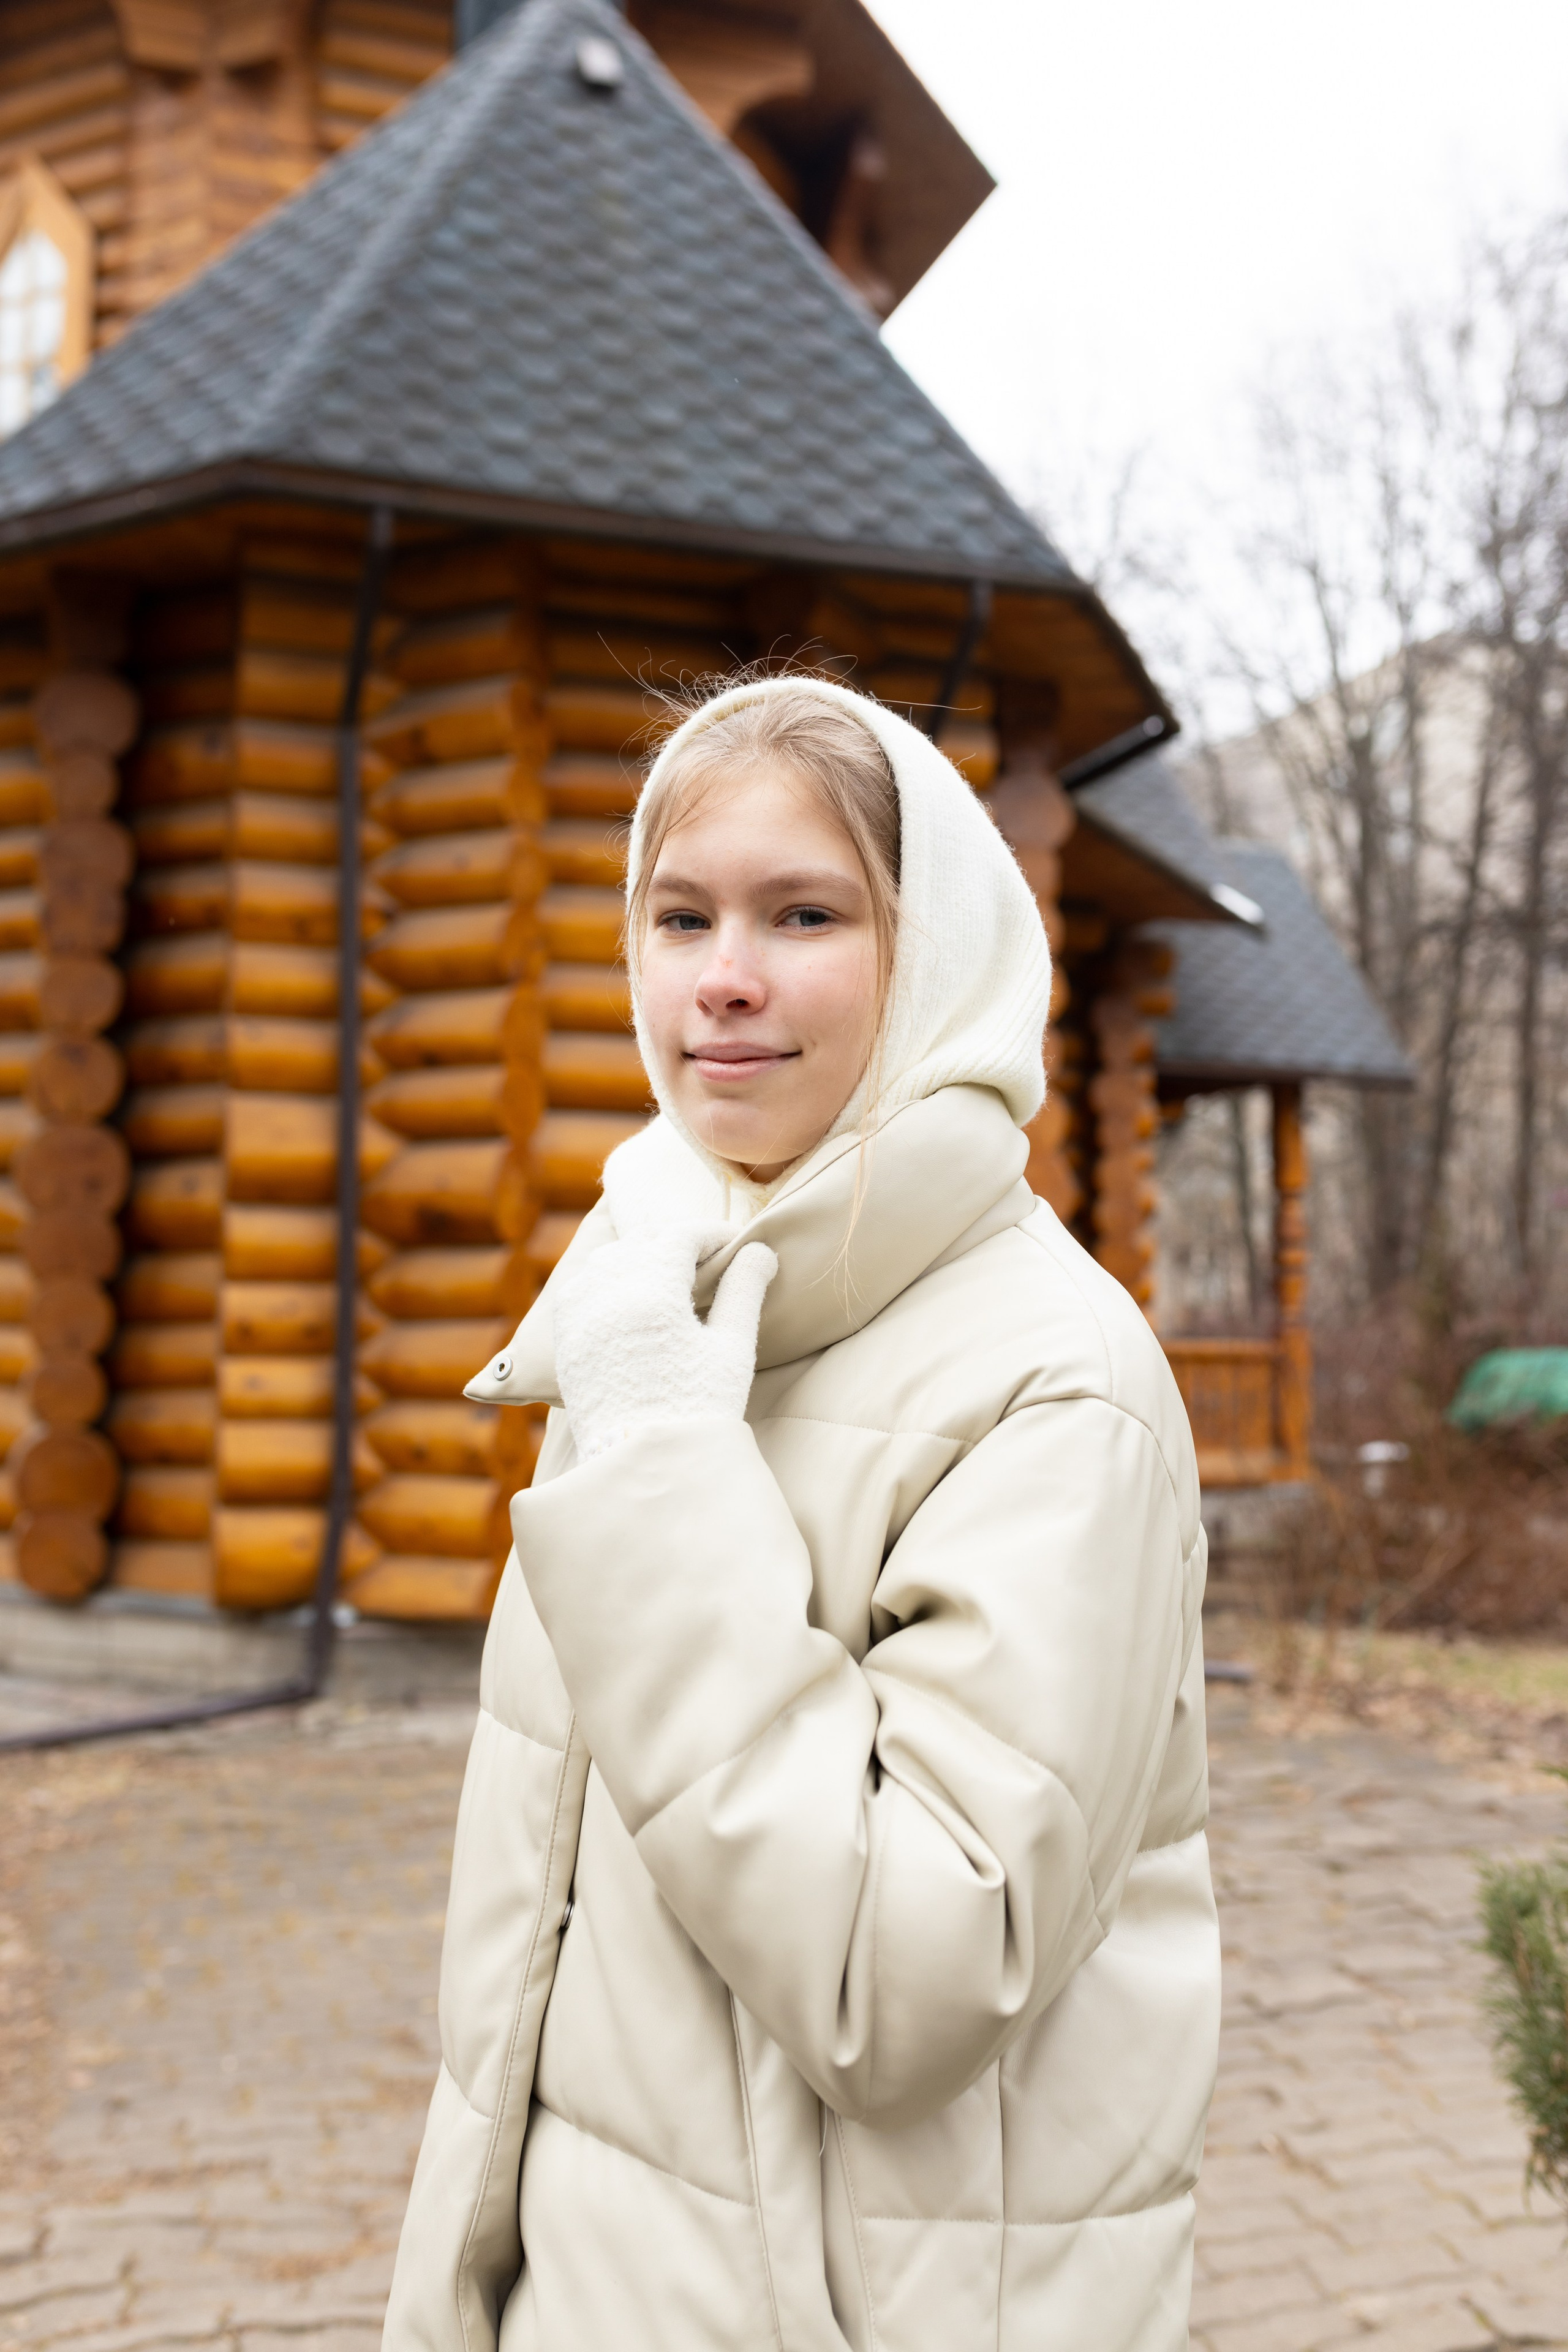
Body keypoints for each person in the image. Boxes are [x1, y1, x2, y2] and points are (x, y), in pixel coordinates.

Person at [383, 675, 1219, 2352]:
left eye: (805, 913)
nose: (725, 978)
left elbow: (902, 1982)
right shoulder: (656, 1302)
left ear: (938, 963)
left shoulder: (1056, 1386)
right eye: (680, 914)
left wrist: (665, 1484)